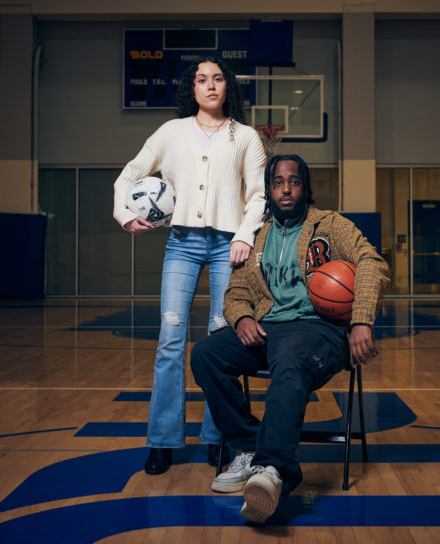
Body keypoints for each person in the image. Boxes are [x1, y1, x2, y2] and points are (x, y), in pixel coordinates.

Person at [190, 154, 390, 524]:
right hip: (268, 329)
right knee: (205, 355)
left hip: (319, 330)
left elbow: (370, 261)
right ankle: (250, 449)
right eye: (278, 182)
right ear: (269, 189)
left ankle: (273, 471)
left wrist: (361, 319)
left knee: (291, 364)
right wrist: (244, 316)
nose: (286, 188)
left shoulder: (329, 225)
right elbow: (235, 293)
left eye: (294, 181)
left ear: (305, 187)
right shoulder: (257, 235)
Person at [113, 57, 266, 475]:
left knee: (220, 341)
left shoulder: (246, 137)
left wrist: (244, 235)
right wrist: (124, 214)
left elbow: (257, 196)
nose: (210, 85)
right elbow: (129, 175)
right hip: (181, 244)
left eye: (218, 78)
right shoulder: (171, 132)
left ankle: (217, 438)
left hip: (227, 248)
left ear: (227, 86)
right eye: (202, 80)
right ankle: (162, 440)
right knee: (170, 340)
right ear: (192, 89)